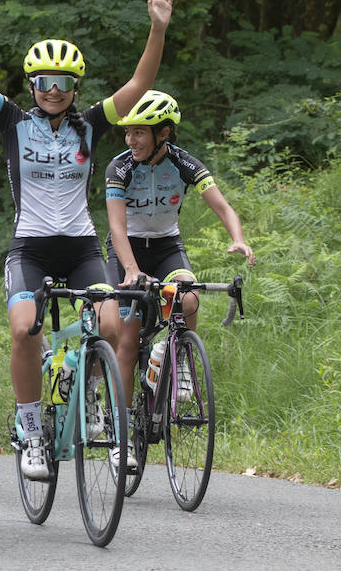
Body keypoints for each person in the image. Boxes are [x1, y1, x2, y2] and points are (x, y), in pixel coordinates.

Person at [0, 0, 177, 480]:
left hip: (80, 246)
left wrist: (158, 29)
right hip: (30, 249)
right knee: (25, 329)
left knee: (110, 327)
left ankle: (99, 404)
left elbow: (139, 85)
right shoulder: (13, 122)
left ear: (75, 87)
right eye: (44, 81)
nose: (53, 90)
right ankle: (32, 430)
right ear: (32, 86)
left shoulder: (90, 124)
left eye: (62, 82)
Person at [102, 89, 256, 448]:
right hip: (127, 249)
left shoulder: (185, 163)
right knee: (127, 342)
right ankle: (121, 432)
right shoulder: (119, 167)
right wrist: (130, 270)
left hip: (167, 247)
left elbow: (223, 207)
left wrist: (238, 238)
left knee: (188, 298)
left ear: (164, 133)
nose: (130, 140)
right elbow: (117, 228)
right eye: (128, 132)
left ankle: (178, 357)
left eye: (139, 132)